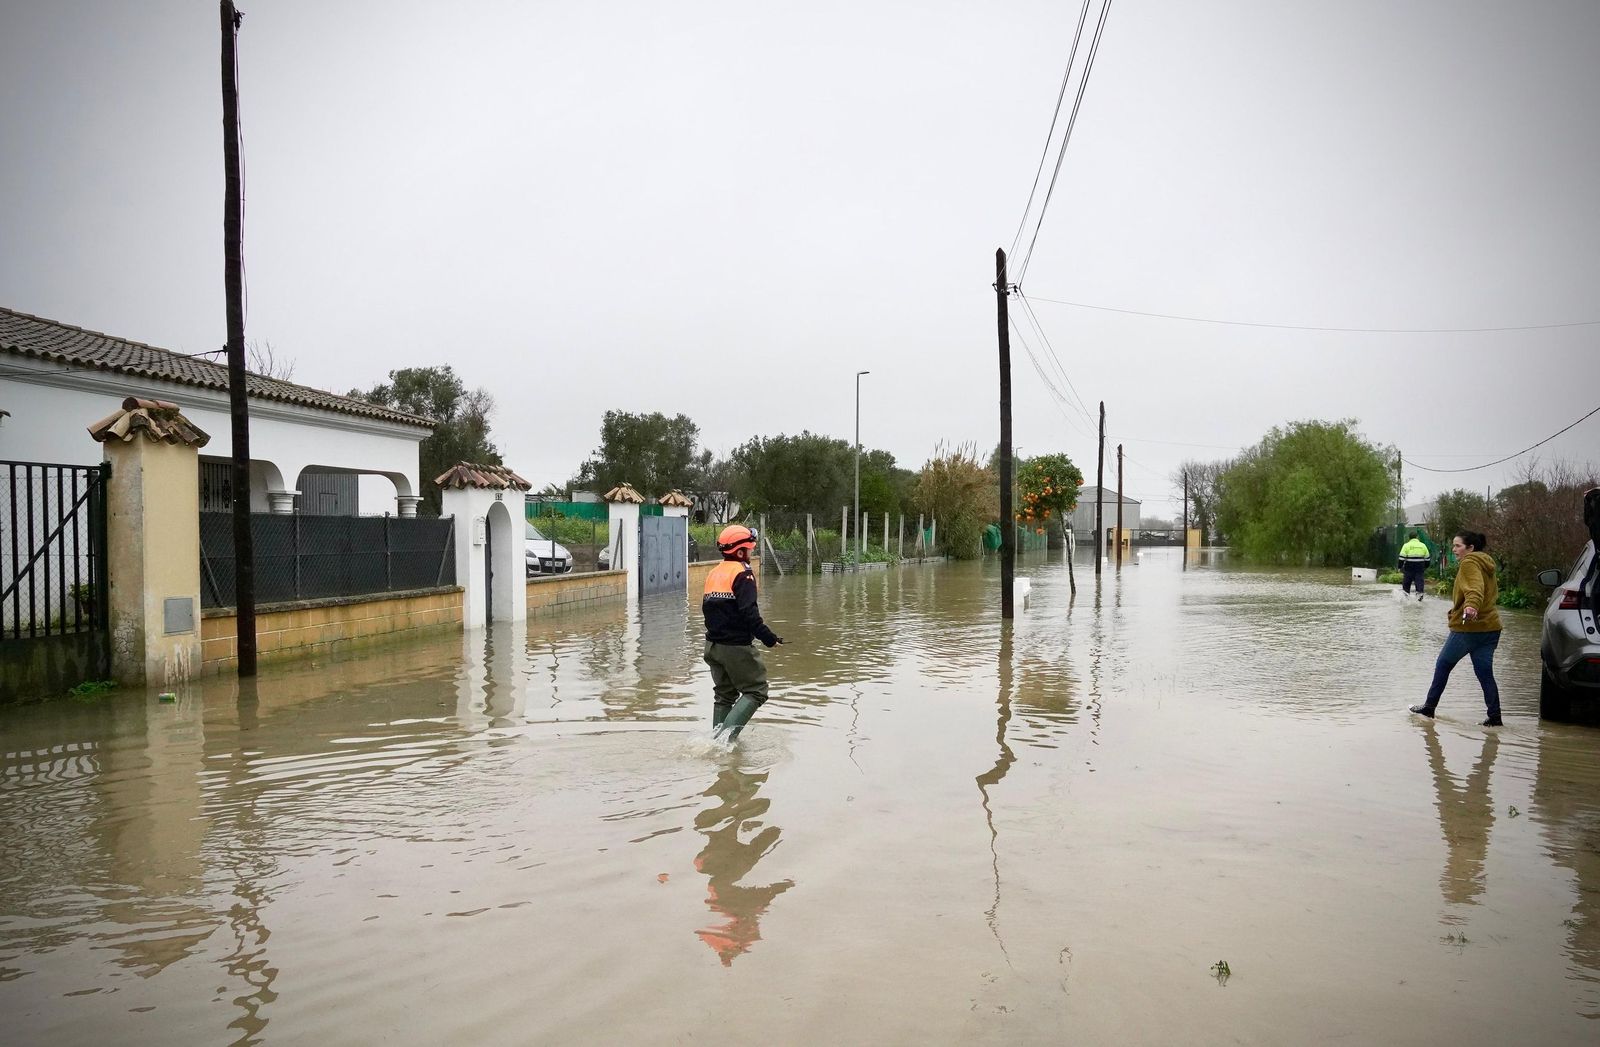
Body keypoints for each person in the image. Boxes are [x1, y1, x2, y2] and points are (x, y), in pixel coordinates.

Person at [1411, 530, 1503, 726]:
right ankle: (1495, 717)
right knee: (1485, 673)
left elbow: (1475, 589)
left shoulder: (1469, 562)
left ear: (1470, 548)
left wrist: (1471, 606)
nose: (1454, 550)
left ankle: (1429, 707)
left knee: (1443, 664)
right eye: (1453, 545)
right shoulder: (1487, 563)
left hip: (1469, 628)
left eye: (1458, 546)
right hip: (1490, 627)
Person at [703, 524, 783, 742]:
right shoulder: (743, 574)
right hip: (735, 647)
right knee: (757, 691)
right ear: (740, 552)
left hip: (712, 646)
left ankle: (715, 742)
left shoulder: (714, 572)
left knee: (724, 696)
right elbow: (749, 613)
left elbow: (709, 611)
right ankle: (723, 743)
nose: (752, 553)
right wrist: (769, 638)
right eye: (750, 549)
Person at [1398, 530, 1431, 601]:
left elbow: (1401, 558)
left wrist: (1399, 567)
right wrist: (1425, 567)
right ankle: (1419, 601)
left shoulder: (1406, 545)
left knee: (1406, 587)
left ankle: (1406, 600)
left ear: (1409, 538)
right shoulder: (1423, 545)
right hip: (1419, 569)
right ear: (1417, 537)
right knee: (1419, 586)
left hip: (1408, 569)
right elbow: (1427, 559)